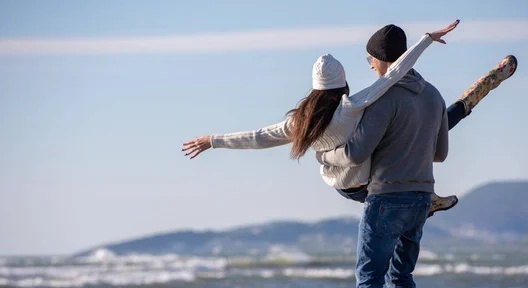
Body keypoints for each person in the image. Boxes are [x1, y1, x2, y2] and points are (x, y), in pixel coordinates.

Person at [315, 26, 516, 288]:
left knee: (369, 279)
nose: (370, 66)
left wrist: (323, 152)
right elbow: (439, 153)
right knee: (402, 277)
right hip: (421, 198)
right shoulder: (434, 95)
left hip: (387, 199)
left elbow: (357, 153)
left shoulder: (383, 99)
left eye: (370, 59)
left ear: (380, 59)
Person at [183, 20, 464, 217]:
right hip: (369, 186)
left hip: (343, 186)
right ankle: (429, 190)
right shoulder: (352, 105)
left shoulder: (300, 122)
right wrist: (426, 40)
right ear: (343, 84)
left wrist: (213, 141)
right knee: (405, 131)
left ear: (316, 87)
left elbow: (259, 137)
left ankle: (428, 196)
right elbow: (393, 75)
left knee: (390, 131)